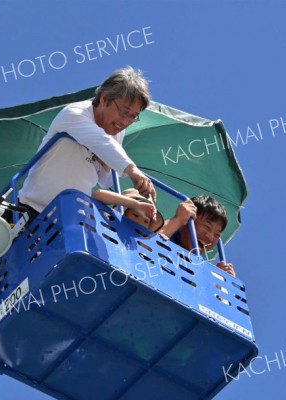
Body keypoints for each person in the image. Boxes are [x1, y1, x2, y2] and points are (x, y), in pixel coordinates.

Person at [18, 66, 156, 220]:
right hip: (30, 210)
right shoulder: (74, 113)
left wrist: (105, 161)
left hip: (67, 220)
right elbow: (101, 141)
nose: (125, 121)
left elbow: (107, 180)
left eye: (133, 116)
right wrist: (133, 171)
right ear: (104, 99)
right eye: (124, 112)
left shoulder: (116, 131)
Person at [160, 195, 236, 276]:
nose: (210, 237)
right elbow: (148, 242)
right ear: (186, 218)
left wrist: (220, 279)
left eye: (217, 234)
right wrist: (178, 219)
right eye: (207, 227)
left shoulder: (199, 266)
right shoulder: (165, 232)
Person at [92, 188, 164, 232]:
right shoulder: (107, 219)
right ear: (124, 210)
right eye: (135, 215)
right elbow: (97, 195)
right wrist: (135, 204)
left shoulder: (136, 245)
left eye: (146, 221)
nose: (140, 223)